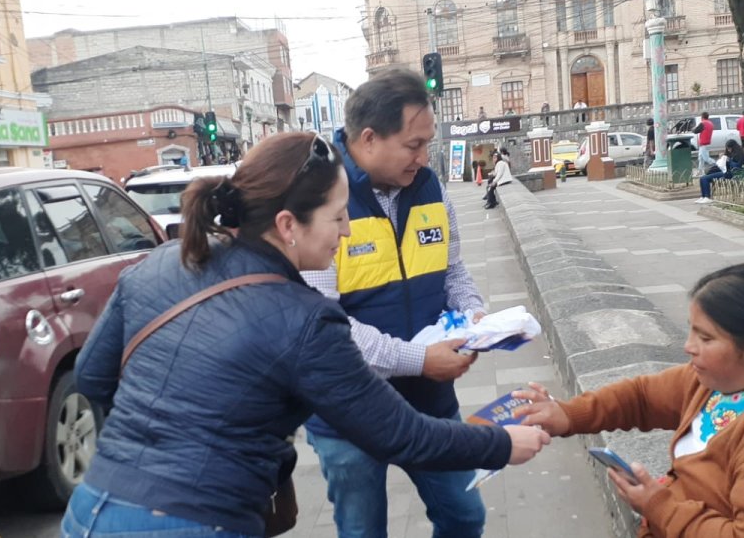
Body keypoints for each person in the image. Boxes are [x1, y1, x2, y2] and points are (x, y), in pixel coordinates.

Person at [65, 132, 551, 538]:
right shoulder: (305, 319)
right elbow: (399, 434)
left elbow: (91, 376)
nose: (345, 232)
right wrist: (502, 445)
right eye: (338, 217)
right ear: (287, 225)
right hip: (196, 521)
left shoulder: (161, 263)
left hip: (90, 510)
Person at [515, 262, 744, 537]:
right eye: (691, 330)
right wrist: (568, 414)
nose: (688, 346)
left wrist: (659, 506)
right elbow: (642, 396)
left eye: (705, 337)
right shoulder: (726, 378)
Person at [300, 71, 501, 538]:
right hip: (347, 411)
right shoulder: (321, 199)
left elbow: (453, 271)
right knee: (363, 530)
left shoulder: (430, 188)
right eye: (413, 145)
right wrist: (417, 359)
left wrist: (473, 316)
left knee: (464, 515)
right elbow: (324, 323)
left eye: (428, 143)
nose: (423, 157)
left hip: (429, 403)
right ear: (368, 139)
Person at [695, 139, 744, 205]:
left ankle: (707, 197)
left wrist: (729, 160)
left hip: (730, 174)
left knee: (705, 179)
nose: (729, 150)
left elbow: (736, 166)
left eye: (729, 148)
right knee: (702, 178)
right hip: (725, 171)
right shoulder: (730, 153)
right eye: (727, 149)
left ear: (733, 147)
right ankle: (703, 196)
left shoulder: (739, 154)